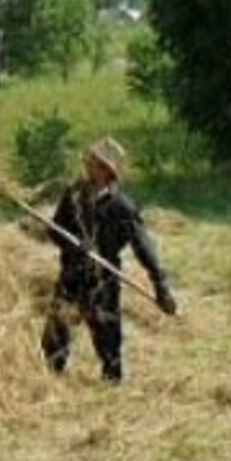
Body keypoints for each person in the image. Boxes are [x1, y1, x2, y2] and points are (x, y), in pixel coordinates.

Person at [40, 137, 177, 383]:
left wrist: (161, 285)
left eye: (96, 162)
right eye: (90, 160)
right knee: (55, 333)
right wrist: (73, 244)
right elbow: (54, 230)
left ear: (107, 170)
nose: (89, 166)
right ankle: (52, 381)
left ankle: (111, 383)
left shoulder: (122, 207)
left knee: (108, 339)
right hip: (71, 274)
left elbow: (143, 247)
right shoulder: (74, 196)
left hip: (102, 281)